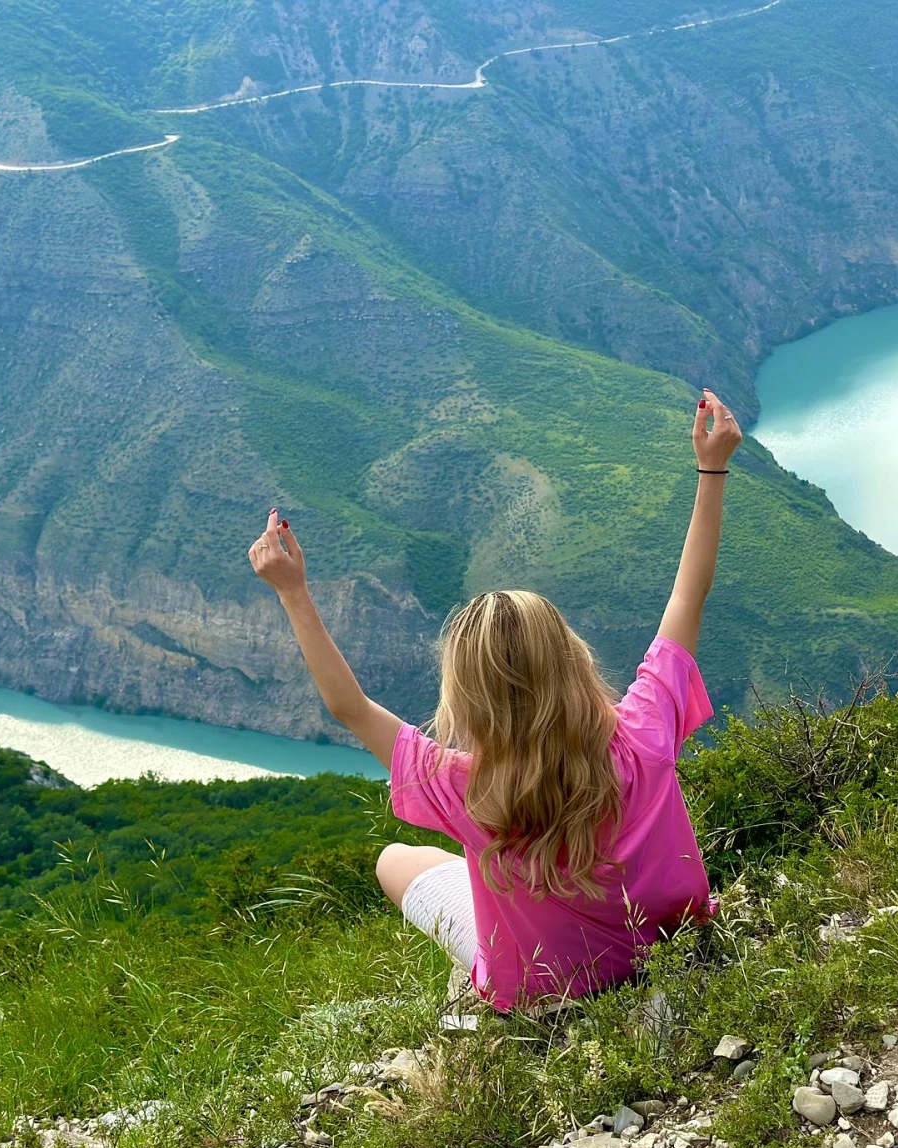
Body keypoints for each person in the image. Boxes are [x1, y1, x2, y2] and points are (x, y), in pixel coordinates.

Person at [248, 388, 743, 1010]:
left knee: (395, 860)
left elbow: (350, 708)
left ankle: (494, 957)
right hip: (676, 946)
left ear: (468, 695)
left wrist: (293, 593)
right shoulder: (645, 730)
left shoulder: (467, 789)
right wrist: (711, 470)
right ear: (571, 657)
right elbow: (688, 596)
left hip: (542, 992)